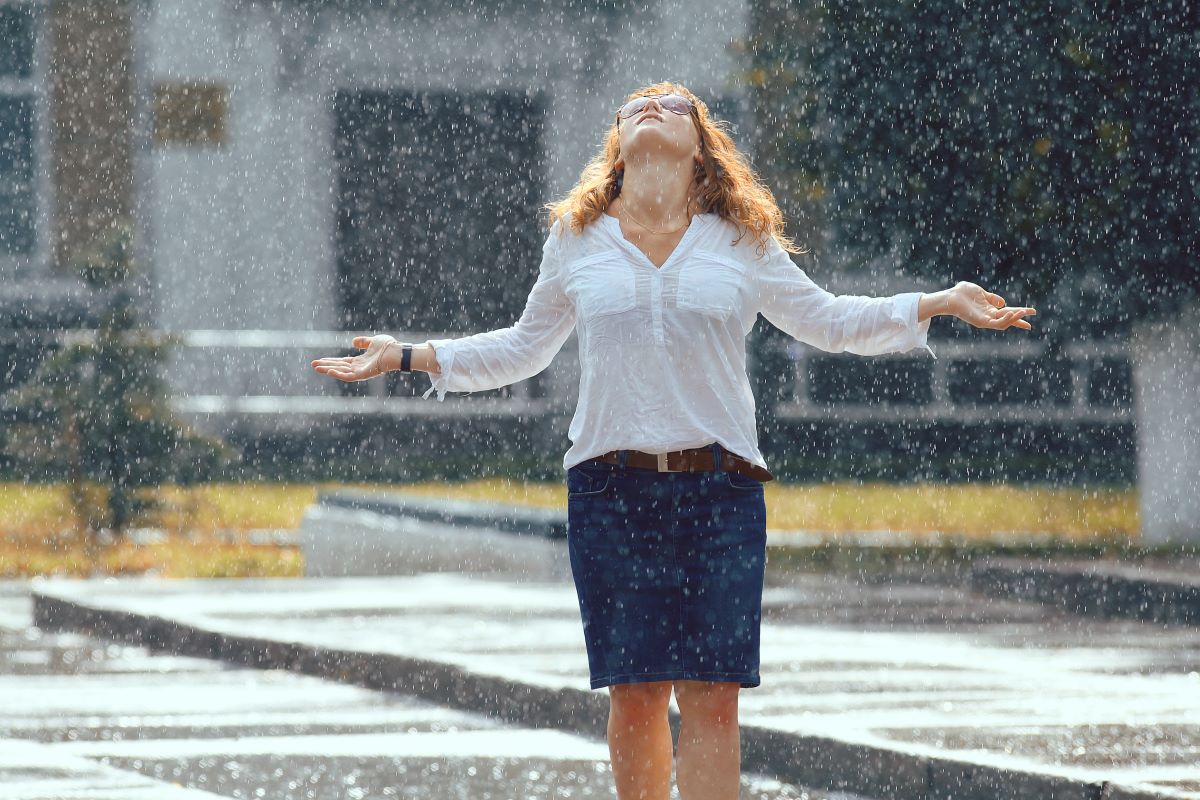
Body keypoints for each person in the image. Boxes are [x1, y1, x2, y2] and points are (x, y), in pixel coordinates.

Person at [311, 81, 1037, 800]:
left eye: (675, 102)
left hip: (721, 493)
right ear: (618, 142)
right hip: (609, 490)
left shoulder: (741, 239)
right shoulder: (575, 238)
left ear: (702, 144)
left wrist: (935, 302)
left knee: (714, 696)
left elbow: (829, 319)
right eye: (638, 103)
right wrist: (411, 355)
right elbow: (524, 348)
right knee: (636, 693)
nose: (655, 105)